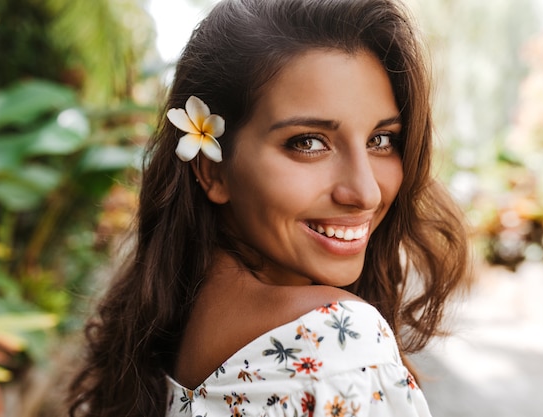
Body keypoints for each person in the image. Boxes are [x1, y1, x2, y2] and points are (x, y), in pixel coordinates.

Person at [68, 0, 471, 416]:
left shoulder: (169, 329)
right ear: (213, 171)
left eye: (381, 140)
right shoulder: (335, 340)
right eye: (308, 142)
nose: (365, 192)